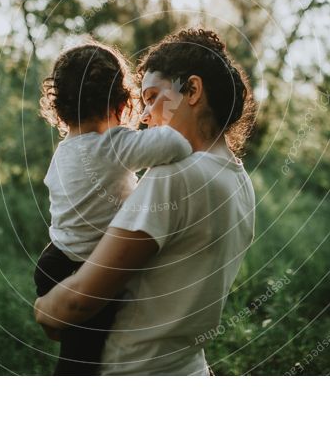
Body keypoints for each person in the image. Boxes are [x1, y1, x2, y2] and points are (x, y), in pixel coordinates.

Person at [34, 27, 257, 375]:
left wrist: (41, 308)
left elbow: (75, 303)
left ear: (193, 90)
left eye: (153, 97)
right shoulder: (238, 179)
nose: (145, 114)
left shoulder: (174, 177)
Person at [35, 41, 193, 375]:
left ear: (59, 108)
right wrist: (172, 107)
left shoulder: (64, 151)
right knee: (83, 365)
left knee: (73, 349)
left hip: (54, 260)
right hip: (82, 268)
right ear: (123, 104)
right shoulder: (113, 146)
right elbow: (178, 144)